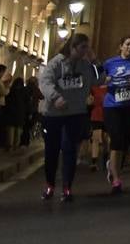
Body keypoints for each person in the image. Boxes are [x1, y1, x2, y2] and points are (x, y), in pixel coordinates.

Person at [37, 32, 100, 202]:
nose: (85, 51)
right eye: (82, 47)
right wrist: (56, 97)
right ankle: (50, 185)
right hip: (54, 114)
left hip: (75, 113)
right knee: (51, 150)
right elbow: (45, 82)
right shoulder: (57, 63)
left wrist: (95, 61)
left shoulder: (85, 65)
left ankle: (67, 187)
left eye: (87, 48)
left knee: (70, 150)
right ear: (73, 48)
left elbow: (99, 80)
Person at [102, 36, 130, 194]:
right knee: (116, 139)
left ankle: (112, 166)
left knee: (128, 140)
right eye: (127, 44)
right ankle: (116, 180)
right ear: (121, 46)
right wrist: (106, 80)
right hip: (112, 105)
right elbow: (100, 79)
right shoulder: (110, 63)